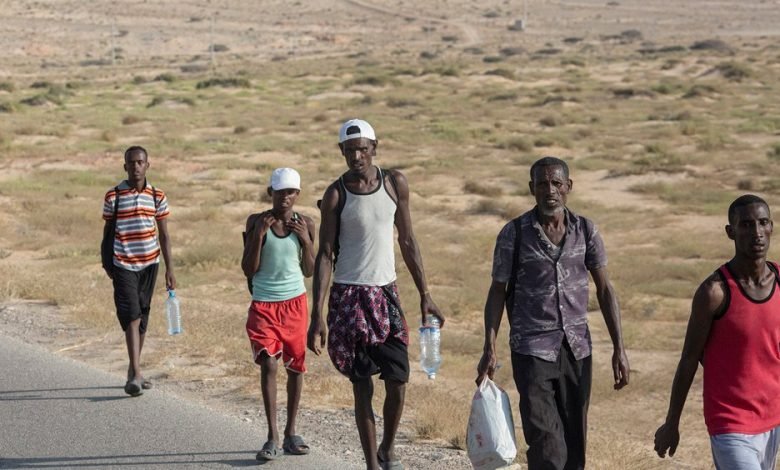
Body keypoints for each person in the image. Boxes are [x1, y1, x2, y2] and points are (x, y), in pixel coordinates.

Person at [476, 156, 630, 470]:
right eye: (543, 184)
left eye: (557, 183)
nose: (550, 190)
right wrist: (489, 346)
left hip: (577, 350)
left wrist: (619, 348)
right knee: (546, 442)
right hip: (531, 350)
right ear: (531, 188)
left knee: (575, 444)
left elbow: (605, 290)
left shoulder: (585, 230)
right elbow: (497, 292)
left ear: (568, 186)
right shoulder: (514, 233)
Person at [308, 119, 445, 470]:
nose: (357, 156)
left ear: (374, 148)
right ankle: (372, 464)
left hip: (387, 295)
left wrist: (426, 293)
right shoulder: (336, 194)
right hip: (348, 299)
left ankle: (387, 448)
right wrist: (316, 314)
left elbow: (408, 240)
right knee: (362, 385)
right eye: (350, 150)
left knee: (398, 378)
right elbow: (325, 255)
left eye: (362, 149)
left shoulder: (394, 183)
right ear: (341, 151)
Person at [655, 194, 780, 470]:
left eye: (763, 223)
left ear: (771, 226)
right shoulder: (714, 292)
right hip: (730, 422)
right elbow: (689, 359)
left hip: (773, 420)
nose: (757, 232)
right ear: (730, 231)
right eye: (746, 225)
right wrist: (672, 423)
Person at [241, 167, 316, 462]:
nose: (285, 197)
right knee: (269, 365)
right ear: (270, 192)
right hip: (264, 304)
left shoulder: (306, 223)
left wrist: (307, 241)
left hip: (295, 304)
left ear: (297, 194)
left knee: (295, 367)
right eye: (280, 191)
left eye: (291, 192)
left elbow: (309, 270)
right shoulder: (256, 221)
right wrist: (258, 235)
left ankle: (290, 433)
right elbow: (248, 268)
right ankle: (272, 436)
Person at [102, 146, 175, 397]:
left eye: (140, 162)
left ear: (147, 165)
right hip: (123, 263)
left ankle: (135, 371)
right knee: (131, 315)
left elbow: (164, 235)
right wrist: (107, 262)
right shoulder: (114, 196)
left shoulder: (157, 195)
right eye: (131, 163)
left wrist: (169, 269)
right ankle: (135, 374)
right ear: (125, 166)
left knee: (142, 316)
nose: (136, 166)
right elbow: (107, 233)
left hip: (150, 263)